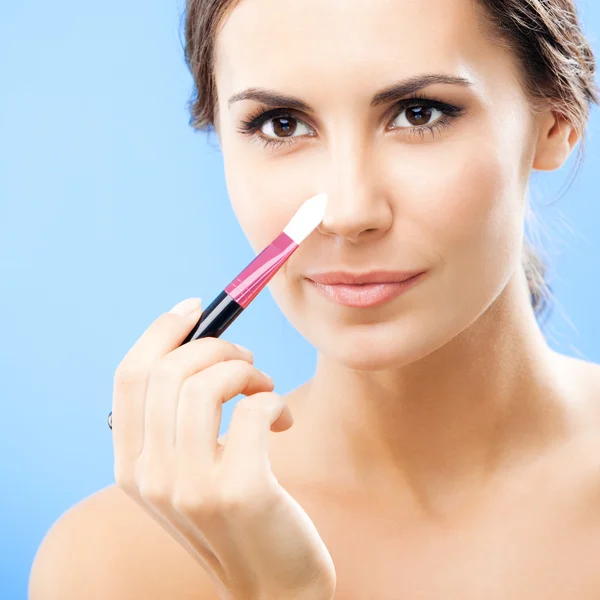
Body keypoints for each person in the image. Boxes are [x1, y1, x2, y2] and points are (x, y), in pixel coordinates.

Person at [29, 0, 600, 598]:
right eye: (281, 124)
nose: (350, 212)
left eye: (418, 112)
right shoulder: (112, 563)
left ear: (557, 120)